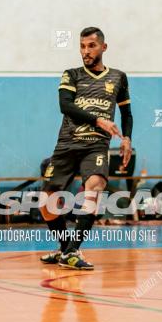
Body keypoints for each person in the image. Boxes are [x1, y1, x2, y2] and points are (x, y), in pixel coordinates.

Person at [39, 27, 133, 270]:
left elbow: (126, 112)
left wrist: (126, 139)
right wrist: (98, 120)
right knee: (45, 204)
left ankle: (72, 252)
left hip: (96, 146)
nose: (86, 51)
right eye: (82, 46)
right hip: (67, 145)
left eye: (91, 46)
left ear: (103, 47)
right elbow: (65, 106)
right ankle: (64, 248)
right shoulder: (71, 75)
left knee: (95, 187)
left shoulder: (118, 77)